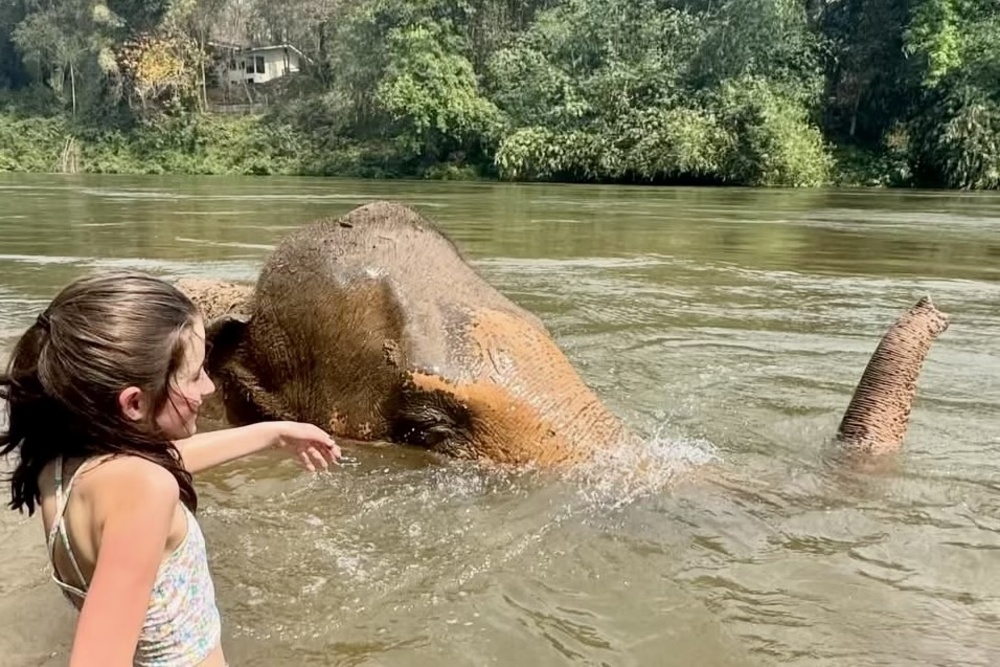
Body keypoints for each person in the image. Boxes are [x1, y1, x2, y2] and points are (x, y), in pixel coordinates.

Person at [0, 271, 342, 667]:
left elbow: (161, 459)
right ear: (134, 404)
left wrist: (271, 433)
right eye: (195, 375)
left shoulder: (62, 464)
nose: (209, 388)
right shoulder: (146, 489)